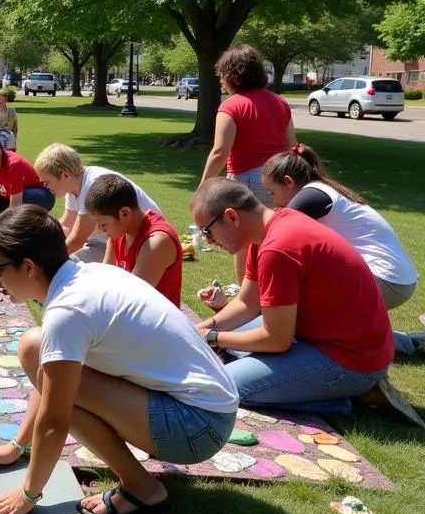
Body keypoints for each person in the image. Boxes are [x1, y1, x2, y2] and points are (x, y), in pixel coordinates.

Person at [0, 205, 238, 514]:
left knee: (59, 385)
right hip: (206, 411)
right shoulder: (87, 274)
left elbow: (54, 420)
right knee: (34, 347)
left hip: (198, 427)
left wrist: (28, 493)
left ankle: (142, 488)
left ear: (28, 267)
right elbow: (50, 374)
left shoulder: (67, 311)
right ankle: (139, 478)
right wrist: (16, 446)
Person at [189, 178, 422, 427]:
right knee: (234, 345)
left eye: (207, 231)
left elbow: (276, 340)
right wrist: (200, 329)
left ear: (232, 216)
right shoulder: (267, 231)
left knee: (222, 386)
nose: (209, 241)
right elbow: (246, 304)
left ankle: (349, 398)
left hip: (353, 359)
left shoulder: (277, 249)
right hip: (327, 341)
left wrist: (213, 337)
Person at [262, 144, 424, 357]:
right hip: (396, 280)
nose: (272, 201)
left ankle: (409, 343)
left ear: (289, 182)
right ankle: (415, 342)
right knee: (313, 314)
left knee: (302, 315)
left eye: (272, 193)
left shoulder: (310, 196)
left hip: (387, 281)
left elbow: (272, 231)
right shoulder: (320, 189)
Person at [198, 44, 296, 282]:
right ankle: (274, 288)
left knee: (241, 241)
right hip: (281, 181)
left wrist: (203, 190)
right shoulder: (280, 102)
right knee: (275, 239)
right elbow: (292, 146)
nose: (221, 81)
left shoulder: (231, 106)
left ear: (232, 75)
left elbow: (220, 151)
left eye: (222, 75)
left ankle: (247, 296)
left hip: (247, 180)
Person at [34, 143, 160, 263]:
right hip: (108, 242)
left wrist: (45, 261)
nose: (45, 186)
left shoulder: (92, 185)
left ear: (65, 175)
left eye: (47, 181)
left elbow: (78, 238)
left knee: (62, 268)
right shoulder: (74, 186)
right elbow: (67, 225)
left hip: (139, 242)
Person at [84, 173, 183, 306]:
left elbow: (132, 299)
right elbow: (105, 278)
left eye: (102, 223)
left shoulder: (156, 242)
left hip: (154, 322)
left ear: (124, 213)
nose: (99, 229)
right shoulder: (118, 232)